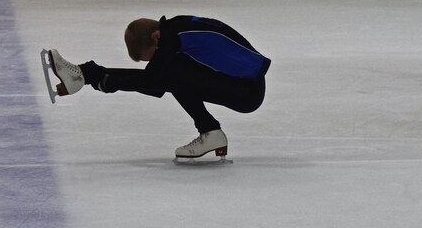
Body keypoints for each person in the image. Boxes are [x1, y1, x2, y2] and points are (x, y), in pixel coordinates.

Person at [47, 15, 271, 160]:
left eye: (151, 56)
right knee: (169, 73)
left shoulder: (173, 36)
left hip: (247, 90)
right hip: (241, 81)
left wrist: (95, 78)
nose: (153, 60)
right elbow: (154, 79)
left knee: (170, 73)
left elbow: (150, 81)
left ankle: (84, 75)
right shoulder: (175, 29)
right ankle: (84, 75)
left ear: (156, 37)